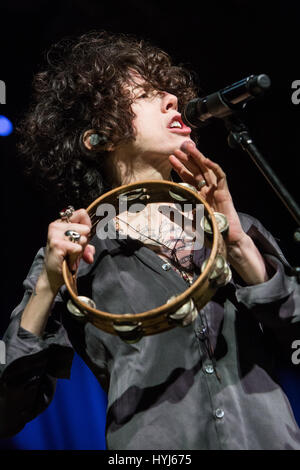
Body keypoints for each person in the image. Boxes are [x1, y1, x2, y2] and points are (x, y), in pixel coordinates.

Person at [1, 30, 300, 450]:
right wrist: (49, 286)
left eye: (170, 94)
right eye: (144, 94)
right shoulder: (77, 253)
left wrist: (238, 246)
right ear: (97, 137)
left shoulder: (235, 227)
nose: (173, 101)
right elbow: (8, 410)